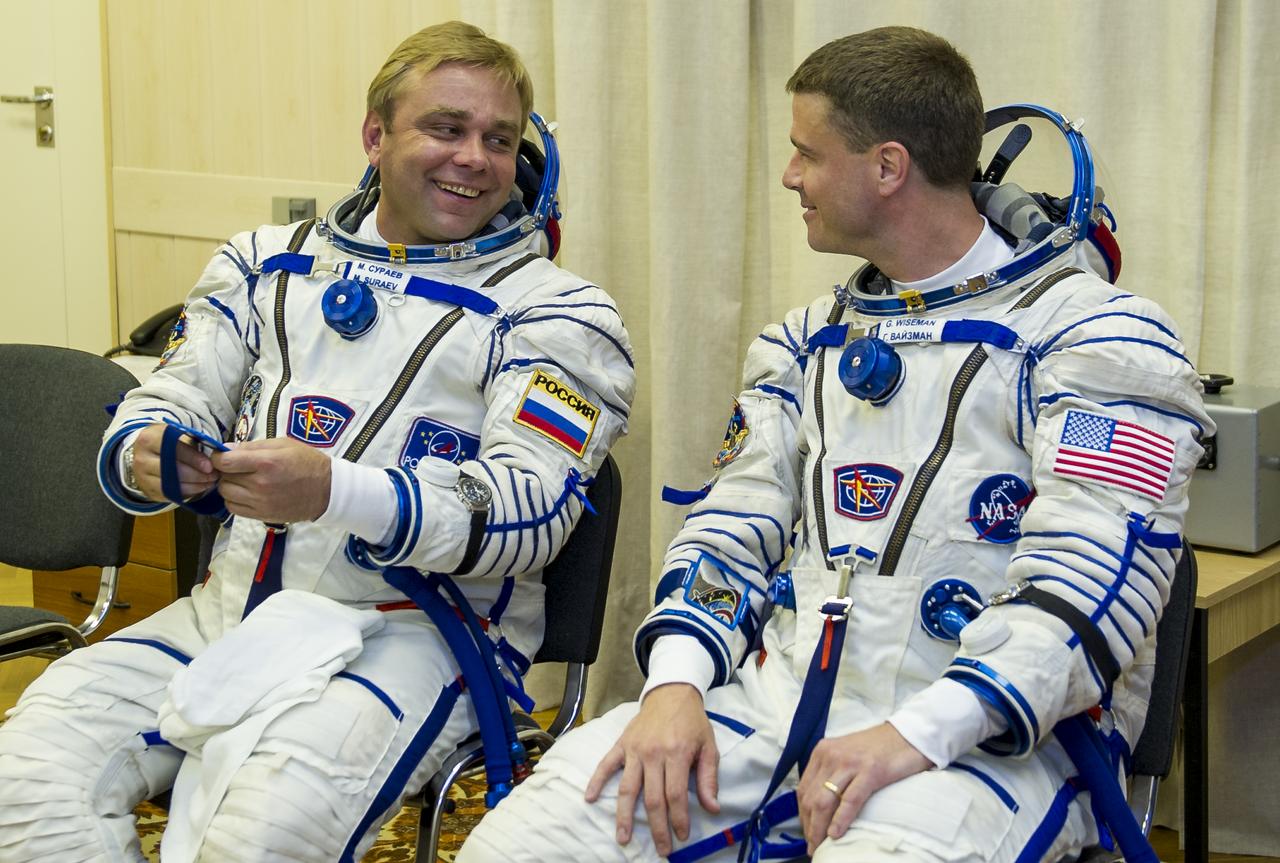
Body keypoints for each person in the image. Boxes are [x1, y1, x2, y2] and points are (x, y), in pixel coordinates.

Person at [459, 26, 1210, 863]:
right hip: (775, 706)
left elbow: (1090, 584)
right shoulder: (804, 344)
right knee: (526, 842)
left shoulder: (1099, 342)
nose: (790, 176)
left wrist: (914, 733)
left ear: (887, 168)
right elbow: (727, 532)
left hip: (991, 741)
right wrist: (673, 688)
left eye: (805, 153)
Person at [0, 20, 634, 863]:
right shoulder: (266, 264)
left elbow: (532, 511)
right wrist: (152, 448)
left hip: (418, 634)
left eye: (498, 139)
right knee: (27, 779)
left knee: (262, 837)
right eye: (445, 128)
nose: (474, 157)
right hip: (230, 615)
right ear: (375, 136)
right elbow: (167, 393)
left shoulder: (560, 314)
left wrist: (339, 491)